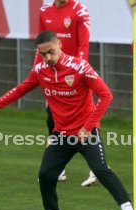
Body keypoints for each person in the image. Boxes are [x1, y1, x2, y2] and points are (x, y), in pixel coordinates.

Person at [0, 30, 136, 210]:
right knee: (45, 175)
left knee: (100, 169)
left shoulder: (80, 66)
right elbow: (20, 90)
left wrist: (88, 127)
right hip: (61, 135)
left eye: (51, 52)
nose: (48, 58)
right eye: (43, 54)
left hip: (86, 133)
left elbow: (106, 95)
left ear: (59, 44)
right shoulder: (40, 70)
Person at [35, 0, 97, 186]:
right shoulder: (44, 11)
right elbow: (40, 48)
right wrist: (39, 74)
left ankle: (96, 168)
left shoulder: (80, 10)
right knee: (52, 118)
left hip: (74, 74)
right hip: (51, 75)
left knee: (87, 115)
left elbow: (83, 47)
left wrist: (78, 72)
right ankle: (58, 168)